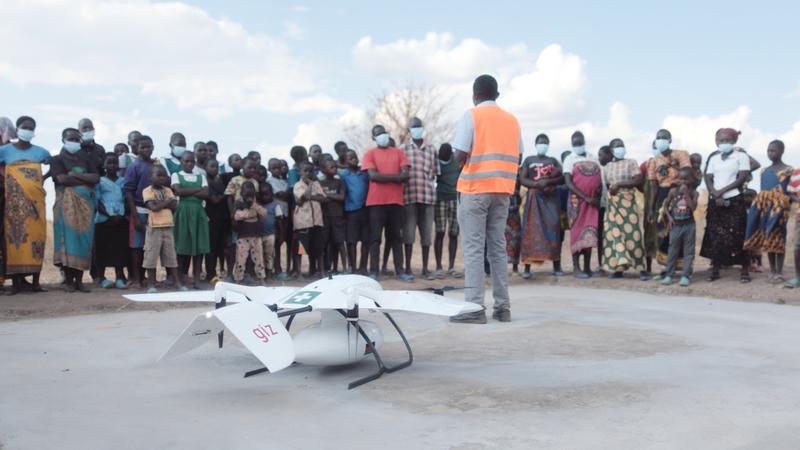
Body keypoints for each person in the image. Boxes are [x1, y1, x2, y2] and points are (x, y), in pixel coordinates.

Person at [450, 74, 522, 324]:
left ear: (474, 94)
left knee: (473, 249)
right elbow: (519, 155)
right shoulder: (512, 120)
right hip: (502, 190)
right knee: (498, 249)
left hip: (475, 189)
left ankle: (474, 308)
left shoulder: (471, 115)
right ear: (497, 95)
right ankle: (503, 308)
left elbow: (459, 154)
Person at [0, 116, 51, 294]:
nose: (27, 130)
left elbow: (55, 166)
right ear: (18, 129)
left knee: (37, 238)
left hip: (37, 202)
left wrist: (44, 178)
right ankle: (16, 284)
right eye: (24, 127)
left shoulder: (42, 152)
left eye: (31, 127)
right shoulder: (4, 151)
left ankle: (35, 282)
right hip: (14, 205)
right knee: (15, 240)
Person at [51, 128, 100, 293]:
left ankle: (79, 281)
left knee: (83, 241)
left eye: (76, 139)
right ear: (63, 139)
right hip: (66, 207)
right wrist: (84, 179)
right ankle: (69, 281)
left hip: (86, 207)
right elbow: (61, 179)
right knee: (68, 242)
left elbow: (96, 178)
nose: (74, 141)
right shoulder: (57, 159)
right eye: (70, 138)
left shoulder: (86, 158)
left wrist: (75, 175)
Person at [701, 128, 751, 282]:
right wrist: (714, 193)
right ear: (717, 142)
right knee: (715, 236)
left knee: (738, 234)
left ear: (734, 141)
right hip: (715, 201)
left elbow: (742, 178)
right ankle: (715, 270)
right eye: (722, 140)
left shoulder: (741, 156)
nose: (724, 143)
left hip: (734, 199)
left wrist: (722, 191)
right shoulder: (714, 158)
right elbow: (708, 177)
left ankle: (744, 271)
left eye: (728, 141)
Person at [362, 125, 410, 281]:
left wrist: (384, 177)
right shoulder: (369, 154)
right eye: (378, 134)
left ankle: (400, 271)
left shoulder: (399, 152)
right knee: (375, 238)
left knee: (396, 238)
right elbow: (372, 176)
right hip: (376, 202)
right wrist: (396, 177)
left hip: (396, 202)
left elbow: (405, 175)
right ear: (373, 138)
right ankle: (374, 271)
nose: (382, 136)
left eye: (384, 133)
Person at [743, 140, 793, 283]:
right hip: (765, 207)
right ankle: (771, 270)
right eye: (769, 150)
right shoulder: (764, 171)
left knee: (779, 237)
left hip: (780, 209)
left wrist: (784, 204)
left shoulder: (789, 170)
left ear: (781, 151)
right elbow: (763, 191)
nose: (770, 153)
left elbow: (790, 192)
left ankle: (779, 271)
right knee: (768, 237)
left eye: (774, 150)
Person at [519, 134, 564, 278]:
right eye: (540, 142)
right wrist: (536, 184)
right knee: (530, 232)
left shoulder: (553, 161)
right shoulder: (529, 160)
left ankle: (557, 267)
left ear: (548, 144)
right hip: (534, 199)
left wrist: (549, 182)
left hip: (551, 199)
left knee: (554, 228)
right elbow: (522, 178)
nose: (542, 144)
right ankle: (527, 268)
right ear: (535, 144)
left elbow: (562, 177)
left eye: (545, 142)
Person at [647, 129, 691, 272]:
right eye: (658, 137)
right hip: (662, 195)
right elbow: (653, 186)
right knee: (663, 233)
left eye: (664, 137)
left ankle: (684, 267)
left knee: (680, 231)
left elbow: (687, 173)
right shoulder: (654, 161)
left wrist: (674, 165)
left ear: (670, 140)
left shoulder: (681, 154)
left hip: (679, 195)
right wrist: (651, 208)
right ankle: (667, 268)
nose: (661, 140)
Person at [601, 139, 645, 278]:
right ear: (612, 150)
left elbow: (638, 180)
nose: (620, 148)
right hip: (614, 205)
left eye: (622, 146)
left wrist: (619, 184)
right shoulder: (607, 167)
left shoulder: (631, 162)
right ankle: (619, 268)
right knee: (615, 235)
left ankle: (641, 268)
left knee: (634, 235)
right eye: (617, 146)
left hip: (628, 203)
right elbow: (608, 186)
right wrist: (614, 190)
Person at [400, 117, 438, 280]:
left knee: (427, 235)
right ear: (408, 131)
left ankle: (424, 268)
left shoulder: (431, 149)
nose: (416, 129)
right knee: (408, 234)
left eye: (418, 127)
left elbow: (435, 172)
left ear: (422, 128)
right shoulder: (402, 149)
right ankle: (408, 267)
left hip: (428, 197)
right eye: (413, 127)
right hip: (409, 197)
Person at [563, 130, 602, 279]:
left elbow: (600, 178)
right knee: (577, 233)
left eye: (580, 143)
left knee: (590, 233)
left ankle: (587, 267)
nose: (578, 145)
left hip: (592, 203)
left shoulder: (593, 157)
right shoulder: (569, 159)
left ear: (584, 142)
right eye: (575, 143)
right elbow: (568, 182)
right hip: (577, 203)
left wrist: (597, 196)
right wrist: (585, 197)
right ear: (572, 144)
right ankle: (576, 268)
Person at [142, 165, 185, 293]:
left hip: (168, 226)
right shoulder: (147, 191)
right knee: (151, 256)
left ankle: (177, 283)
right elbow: (153, 207)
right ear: (150, 177)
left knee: (171, 256)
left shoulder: (168, 190)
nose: (162, 178)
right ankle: (151, 284)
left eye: (164, 175)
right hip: (154, 227)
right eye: (158, 175)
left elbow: (175, 206)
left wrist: (162, 204)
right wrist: (167, 202)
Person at [124, 135, 159, 288]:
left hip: (156, 212)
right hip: (139, 210)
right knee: (137, 247)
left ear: (153, 147)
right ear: (136, 149)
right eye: (142, 147)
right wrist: (135, 216)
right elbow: (129, 192)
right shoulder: (134, 166)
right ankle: (137, 278)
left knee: (152, 247)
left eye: (148, 146)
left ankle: (150, 278)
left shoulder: (156, 166)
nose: (146, 149)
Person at [172, 151, 210, 289]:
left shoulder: (201, 176)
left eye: (191, 161)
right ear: (181, 161)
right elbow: (178, 191)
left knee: (199, 247)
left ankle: (196, 278)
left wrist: (187, 190)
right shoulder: (176, 175)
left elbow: (206, 194)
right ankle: (181, 278)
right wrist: (197, 190)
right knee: (182, 245)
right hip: (183, 213)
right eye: (186, 161)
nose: (189, 164)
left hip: (198, 213)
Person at [94, 154, 129, 289]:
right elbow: (97, 201)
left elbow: (126, 199)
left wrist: (121, 214)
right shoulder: (100, 181)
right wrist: (109, 215)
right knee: (102, 249)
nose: (112, 166)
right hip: (104, 220)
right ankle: (102, 278)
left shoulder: (123, 181)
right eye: (109, 163)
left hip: (120, 219)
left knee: (119, 249)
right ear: (104, 165)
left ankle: (120, 277)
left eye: (115, 163)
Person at [661, 167, 698, 286]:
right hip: (676, 226)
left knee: (689, 252)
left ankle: (685, 276)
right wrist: (670, 217)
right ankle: (669, 275)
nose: (682, 182)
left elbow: (693, 208)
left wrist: (686, 194)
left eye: (686, 179)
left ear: (692, 180)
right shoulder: (673, 192)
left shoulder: (694, 192)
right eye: (680, 179)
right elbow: (665, 205)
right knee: (672, 251)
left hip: (689, 225)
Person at [292, 162, 326, 278]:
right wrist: (310, 186)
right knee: (301, 248)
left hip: (316, 222)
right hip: (303, 223)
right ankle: (299, 273)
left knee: (318, 247)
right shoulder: (298, 185)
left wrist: (311, 195)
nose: (308, 173)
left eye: (310, 171)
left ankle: (321, 272)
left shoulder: (317, 184)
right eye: (305, 171)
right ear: (300, 172)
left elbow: (323, 198)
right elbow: (303, 197)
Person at [434, 143, 462, 279]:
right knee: (440, 232)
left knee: (453, 233)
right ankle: (438, 266)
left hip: (455, 198)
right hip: (440, 198)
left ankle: (451, 266)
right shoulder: (435, 162)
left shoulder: (456, 162)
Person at [231, 181, 267, 284]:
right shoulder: (239, 202)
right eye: (247, 195)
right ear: (242, 193)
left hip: (256, 235)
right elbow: (236, 216)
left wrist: (254, 206)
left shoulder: (256, 203)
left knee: (259, 258)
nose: (249, 197)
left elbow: (264, 213)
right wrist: (251, 214)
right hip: (243, 236)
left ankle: (261, 279)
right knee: (240, 259)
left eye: (251, 195)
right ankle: (238, 279)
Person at [340, 149, 370, 275]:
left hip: (365, 210)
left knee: (366, 240)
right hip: (351, 212)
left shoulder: (365, 173)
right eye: (350, 158)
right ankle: (353, 267)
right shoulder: (343, 175)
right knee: (351, 241)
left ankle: (363, 266)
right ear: (345, 162)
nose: (354, 159)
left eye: (355, 157)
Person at [203, 159, 230, 284]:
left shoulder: (220, 180)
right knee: (211, 248)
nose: (215, 168)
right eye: (212, 166)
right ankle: (211, 274)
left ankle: (220, 272)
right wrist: (228, 192)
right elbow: (215, 200)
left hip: (223, 219)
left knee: (221, 247)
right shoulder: (205, 182)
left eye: (217, 166)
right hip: (211, 219)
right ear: (205, 167)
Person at [319, 159, 347, 274]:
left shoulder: (339, 182)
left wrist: (327, 195)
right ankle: (322, 270)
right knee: (324, 244)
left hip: (337, 217)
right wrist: (332, 196)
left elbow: (342, 197)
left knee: (340, 243)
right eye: (331, 167)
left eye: (335, 167)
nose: (334, 169)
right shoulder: (320, 183)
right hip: (324, 218)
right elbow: (320, 199)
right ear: (323, 170)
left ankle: (345, 268)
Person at [267, 158, 291, 278]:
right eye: (274, 168)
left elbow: (286, 195)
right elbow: (280, 195)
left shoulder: (284, 181)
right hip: (276, 216)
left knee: (284, 241)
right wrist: (288, 194)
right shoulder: (269, 181)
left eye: (279, 167)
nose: (277, 170)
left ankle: (285, 269)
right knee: (276, 243)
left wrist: (287, 195)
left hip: (286, 215)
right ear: (269, 169)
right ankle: (276, 269)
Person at [258, 183, 283, 279]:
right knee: (260, 255)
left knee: (269, 254)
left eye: (266, 194)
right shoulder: (258, 206)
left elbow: (279, 220)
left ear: (271, 194)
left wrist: (280, 234)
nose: (264, 197)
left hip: (270, 235)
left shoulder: (275, 205)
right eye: (262, 194)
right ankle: (261, 273)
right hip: (259, 235)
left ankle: (268, 272)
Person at [785, 168, 800, 288]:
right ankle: (798, 277)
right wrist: (798, 199)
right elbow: (791, 192)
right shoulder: (797, 173)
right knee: (797, 246)